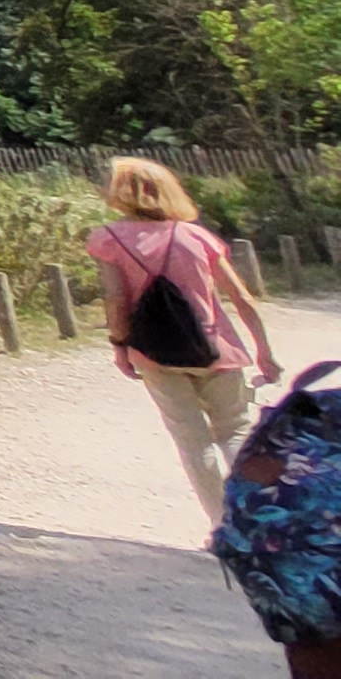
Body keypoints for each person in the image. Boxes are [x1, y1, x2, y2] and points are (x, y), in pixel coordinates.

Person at [89, 156, 286, 524]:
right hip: (217, 350)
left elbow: (115, 299)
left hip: (155, 353)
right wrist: (264, 352)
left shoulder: (108, 239)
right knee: (235, 431)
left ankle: (222, 526)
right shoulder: (196, 236)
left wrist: (120, 346)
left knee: (193, 443)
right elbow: (242, 298)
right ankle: (261, 520)